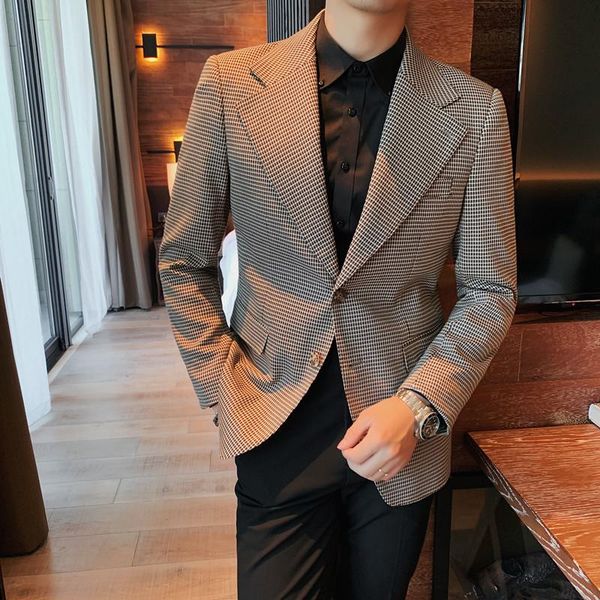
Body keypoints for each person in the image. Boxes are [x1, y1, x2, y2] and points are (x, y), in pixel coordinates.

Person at [158, 0, 518, 597]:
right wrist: (223, 388)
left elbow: (490, 287)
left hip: (399, 434)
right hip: (273, 416)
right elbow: (183, 260)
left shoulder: (475, 109)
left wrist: (419, 405)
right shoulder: (231, 83)